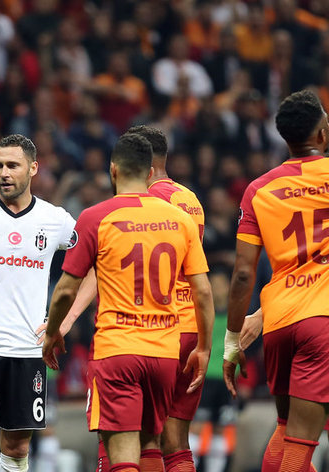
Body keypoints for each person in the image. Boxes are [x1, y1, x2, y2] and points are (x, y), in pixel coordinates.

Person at [42, 133, 214, 472]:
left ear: (116, 169)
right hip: (176, 335)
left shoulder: (113, 212)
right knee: (172, 444)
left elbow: (90, 275)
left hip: (124, 339)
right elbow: (204, 289)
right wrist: (206, 345)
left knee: (116, 445)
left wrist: (64, 322)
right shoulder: (188, 202)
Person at [0, 133, 78, 472]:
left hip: (28, 349)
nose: (4, 173)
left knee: (17, 444)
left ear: (33, 168)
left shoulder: (55, 220)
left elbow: (96, 260)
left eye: (13, 165)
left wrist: (64, 321)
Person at [224, 90, 329, 472]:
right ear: (322, 134)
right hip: (323, 323)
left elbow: (243, 274)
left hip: (280, 323)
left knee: (286, 434)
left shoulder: (258, 190)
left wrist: (232, 339)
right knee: (299, 448)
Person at [136, 125, 206, 472]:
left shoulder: (146, 202)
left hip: (160, 325)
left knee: (146, 437)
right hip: (192, 325)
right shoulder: (191, 199)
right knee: (177, 440)